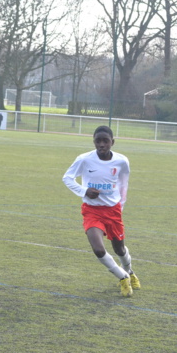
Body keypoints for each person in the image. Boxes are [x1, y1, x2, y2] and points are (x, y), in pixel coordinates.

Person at [62, 125, 140, 298]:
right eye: (98, 141)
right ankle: (123, 277)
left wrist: (121, 206)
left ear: (112, 142)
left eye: (106, 141)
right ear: (94, 142)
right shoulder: (84, 159)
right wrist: (84, 191)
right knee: (98, 249)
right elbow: (67, 177)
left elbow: (123, 185)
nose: (102, 144)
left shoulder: (121, 161)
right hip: (91, 211)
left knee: (119, 249)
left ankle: (130, 271)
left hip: (113, 211)